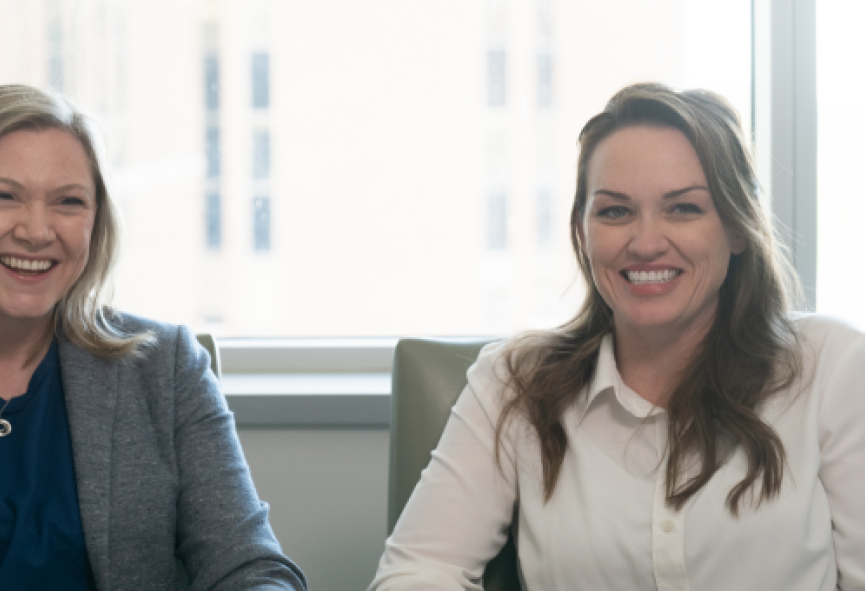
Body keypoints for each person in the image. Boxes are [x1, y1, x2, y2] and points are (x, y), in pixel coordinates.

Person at [370, 83, 865, 590]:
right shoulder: (514, 382)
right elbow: (418, 570)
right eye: (614, 211)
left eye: (684, 208)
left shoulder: (833, 366)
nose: (646, 244)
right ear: (582, 233)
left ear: (737, 228)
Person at [0, 85, 307, 591]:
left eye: (68, 202)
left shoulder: (168, 365)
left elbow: (249, 566)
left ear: (96, 222)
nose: (36, 230)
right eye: (3, 196)